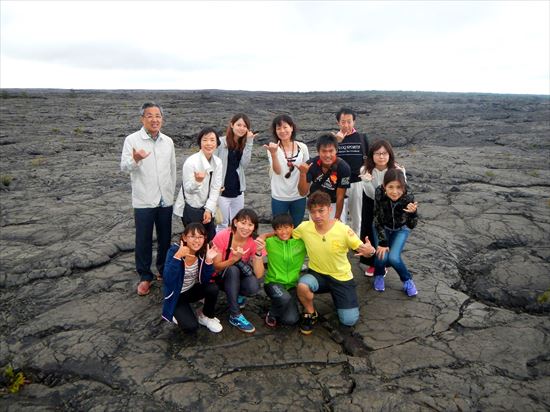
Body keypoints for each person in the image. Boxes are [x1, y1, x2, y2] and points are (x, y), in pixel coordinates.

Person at [293, 191, 376, 335]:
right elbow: (284, 234)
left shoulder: (343, 230)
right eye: (313, 212)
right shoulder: (304, 228)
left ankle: (341, 295)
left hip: (341, 278)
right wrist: (263, 236)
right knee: (302, 286)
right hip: (318, 274)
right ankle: (311, 312)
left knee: (349, 320)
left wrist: (371, 251)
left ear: (329, 209)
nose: (317, 216)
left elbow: (364, 249)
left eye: (321, 210)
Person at [120, 102, 176, 296]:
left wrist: (171, 195)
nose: (155, 119)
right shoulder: (132, 140)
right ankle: (145, 276)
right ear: (142, 118)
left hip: (165, 199)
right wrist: (135, 159)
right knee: (143, 239)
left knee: (165, 238)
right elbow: (124, 167)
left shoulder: (168, 141)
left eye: (158, 116)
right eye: (150, 115)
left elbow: (172, 170)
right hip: (144, 199)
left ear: (162, 118)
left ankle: (162, 269)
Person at [161, 223, 222, 334]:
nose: (196, 240)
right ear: (184, 237)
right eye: (192, 236)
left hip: (191, 290)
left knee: (212, 288)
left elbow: (204, 280)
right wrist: (177, 257)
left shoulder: (202, 253)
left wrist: (208, 261)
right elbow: (168, 279)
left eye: (200, 237)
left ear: (204, 239)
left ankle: (205, 316)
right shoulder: (174, 251)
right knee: (191, 327)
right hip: (177, 295)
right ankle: (176, 313)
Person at [212, 208, 266, 333]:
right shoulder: (223, 236)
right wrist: (234, 259)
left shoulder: (254, 241)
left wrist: (258, 253)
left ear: (254, 227)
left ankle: (238, 295)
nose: (246, 228)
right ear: (235, 222)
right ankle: (235, 315)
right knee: (232, 269)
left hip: (239, 276)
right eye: (243, 223)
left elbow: (259, 274)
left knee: (253, 286)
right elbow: (216, 267)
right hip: (220, 277)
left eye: (250, 225)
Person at [359, 139, 406, 276]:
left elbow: (402, 191)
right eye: (377, 153)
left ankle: (385, 263)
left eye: (384, 153)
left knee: (389, 233)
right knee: (368, 231)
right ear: (371, 155)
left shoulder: (397, 170)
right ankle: (373, 263)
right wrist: (367, 182)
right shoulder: (365, 170)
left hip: (391, 205)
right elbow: (371, 195)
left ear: (390, 155)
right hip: (371, 203)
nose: (381, 157)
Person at [372, 169, 419, 297]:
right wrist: (382, 241)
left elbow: (412, 225)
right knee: (382, 256)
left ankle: (407, 280)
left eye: (399, 187)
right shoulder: (379, 192)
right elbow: (376, 217)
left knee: (393, 257)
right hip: (382, 227)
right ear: (384, 186)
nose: (394, 191)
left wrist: (413, 213)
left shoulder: (408, 196)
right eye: (390, 187)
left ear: (403, 187)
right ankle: (379, 275)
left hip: (401, 229)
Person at [174, 127, 222, 242]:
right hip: (192, 208)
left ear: (217, 143)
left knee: (209, 239)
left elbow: (216, 187)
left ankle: (205, 260)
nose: (208, 143)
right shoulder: (191, 162)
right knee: (194, 240)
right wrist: (198, 182)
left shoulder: (218, 162)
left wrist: (209, 209)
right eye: (205, 140)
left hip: (206, 208)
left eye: (212, 140)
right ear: (200, 143)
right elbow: (188, 189)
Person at [264, 115, 310, 227]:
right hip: (279, 196)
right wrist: (274, 154)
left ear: (292, 128)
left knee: (297, 228)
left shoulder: (302, 147)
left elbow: (307, 170)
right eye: (278, 128)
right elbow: (277, 171)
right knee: (280, 228)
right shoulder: (273, 148)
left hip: (298, 196)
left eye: (285, 127)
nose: (282, 131)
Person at [215, 113, 256, 232]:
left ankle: (233, 248)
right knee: (222, 224)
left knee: (237, 223)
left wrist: (249, 142)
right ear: (232, 125)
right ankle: (220, 249)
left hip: (238, 191)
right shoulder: (221, 143)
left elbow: (244, 164)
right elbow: (212, 165)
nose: (241, 128)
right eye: (239, 125)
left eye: (244, 126)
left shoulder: (243, 144)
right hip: (222, 191)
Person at [263, 214, 307, 328]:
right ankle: (271, 313)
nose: (283, 232)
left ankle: (280, 301)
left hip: (292, 285)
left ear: (292, 227)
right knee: (284, 298)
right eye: (279, 228)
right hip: (273, 282)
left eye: (286, 227)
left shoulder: (301, 242)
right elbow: (256, 240)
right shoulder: (270, 242)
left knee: (291, 320)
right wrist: (263, 236)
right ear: (275, 231)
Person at [298, 133, 351, 221]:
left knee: (335, 232)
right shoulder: (311, 165)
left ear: (336, 150)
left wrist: (337, 218)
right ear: (318, 151)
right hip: (316, 204)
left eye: (331, 151)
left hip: (334, 203)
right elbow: (302, 193)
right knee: (316, 232)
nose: (327, 155)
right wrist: (302, 174)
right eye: (324, 151)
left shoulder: (344, 168)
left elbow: (340, 196)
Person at [334, 107, 369, 236]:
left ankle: (356, 243)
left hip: (358, 182)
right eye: (343, 122)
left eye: (349, 121)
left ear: (354, 122)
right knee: (339, 217)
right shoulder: (333, 139)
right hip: (338, 184)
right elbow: (327, 158)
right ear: (338, 122)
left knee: (357, 216)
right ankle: (341, 243)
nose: (346, 125)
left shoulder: (361, 138)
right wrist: (337, 141)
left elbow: (369, 157)